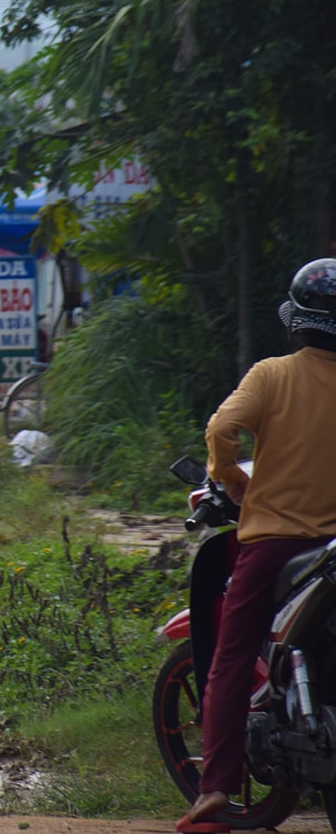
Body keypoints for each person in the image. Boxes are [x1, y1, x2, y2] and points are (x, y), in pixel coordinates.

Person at [179, 258, 336, 834]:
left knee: (229, 656)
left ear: (298, 322)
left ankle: (215, 786)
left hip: (275, 544)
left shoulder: (272, 375)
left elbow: (223, 430)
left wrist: (233, 483)